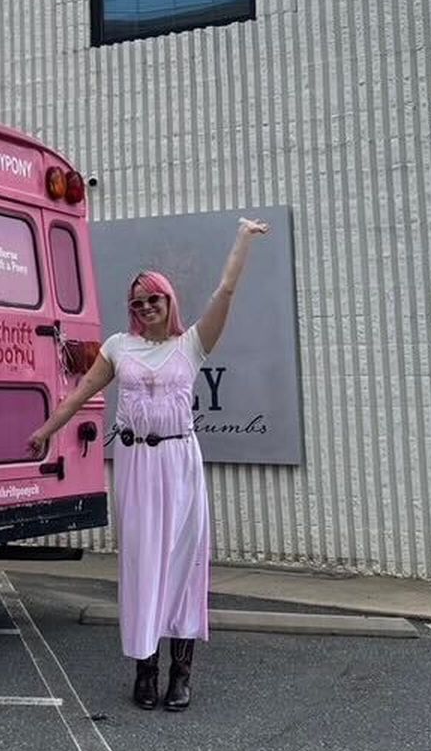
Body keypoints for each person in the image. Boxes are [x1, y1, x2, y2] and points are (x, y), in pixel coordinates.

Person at [28, 217, 270, 711]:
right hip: (137, 464)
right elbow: (81, 394)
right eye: (137, 302)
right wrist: (47, 431)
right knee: (141, 566)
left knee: (182, 566)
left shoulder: (192, 345)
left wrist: (242, 239)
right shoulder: (119, 347)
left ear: (168, 301)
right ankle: (146, 669)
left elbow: (225, 292)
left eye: (153, 299)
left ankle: (181, 675)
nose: (145, 307)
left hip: (180, 462)